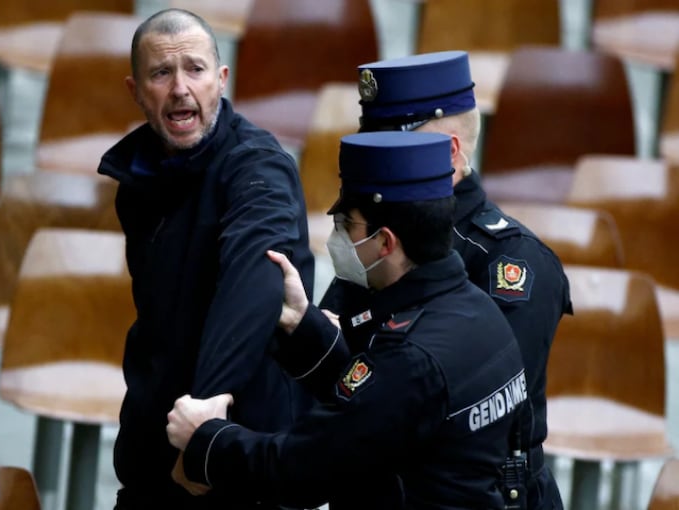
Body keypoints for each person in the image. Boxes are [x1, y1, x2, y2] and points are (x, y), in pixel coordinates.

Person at [166, 131, 530, 509]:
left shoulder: (413, 358)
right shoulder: (476, 310)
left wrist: (206, 440)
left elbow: (302, 470)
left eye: (346, 225)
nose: (336, 238)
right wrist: (300, 323)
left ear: (385, 242)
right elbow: (381, 411)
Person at [320, 51, 573, 509]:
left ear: (451, 152)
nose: (374, 159)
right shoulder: (374, 234)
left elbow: (462, 415)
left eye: (393, 145)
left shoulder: (511, 261)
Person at [97, 8, 315, 509]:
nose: (179, 88)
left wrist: (204, 430)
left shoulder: (258, 168)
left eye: (194, 69)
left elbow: (255, 284)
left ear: (220, 80)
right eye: (161, 73)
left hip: (234, 463)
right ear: (135, 90)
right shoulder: (137, 184)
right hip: (154, 463)